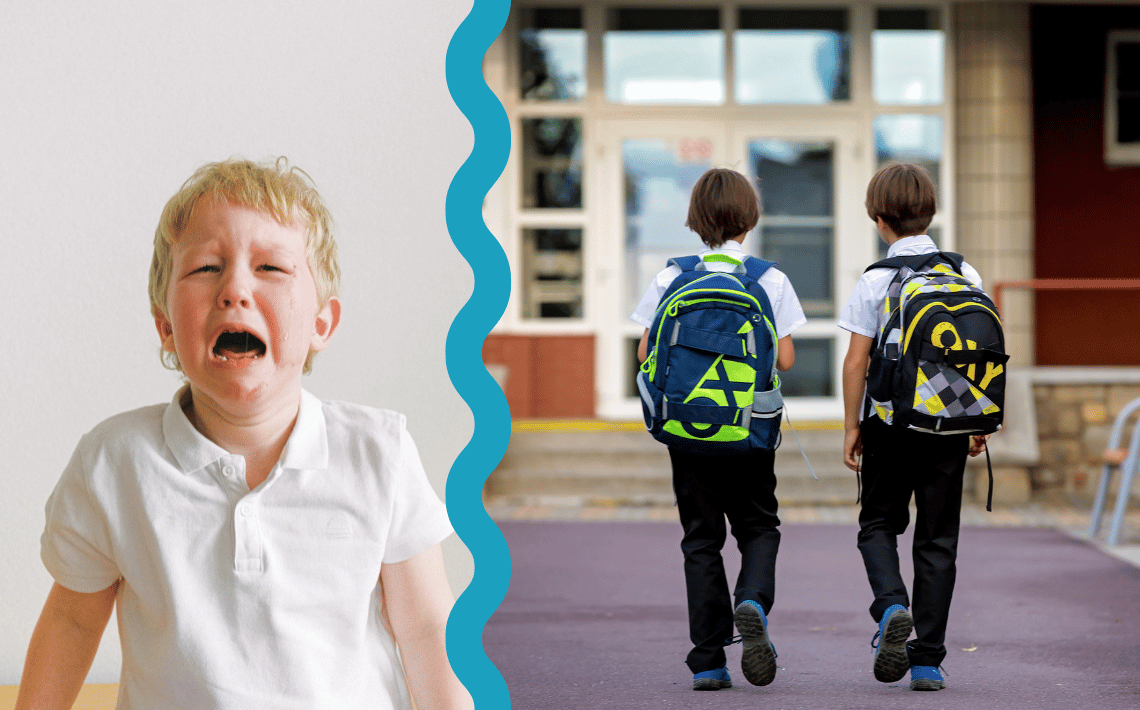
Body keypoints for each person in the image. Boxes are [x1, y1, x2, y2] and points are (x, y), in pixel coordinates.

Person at [16, 158, 472, 710]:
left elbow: (426, 628)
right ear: (165, 326)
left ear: (321, 325)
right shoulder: (114, 463)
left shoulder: (379, 451)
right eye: (206, 267)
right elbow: (70, 621)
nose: (235, 289)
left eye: (271, 269)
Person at [631, 168, 806, 691]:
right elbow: (788, 358)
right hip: (748, 432)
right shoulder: (768, 279)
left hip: (688, 431)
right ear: (749, 221)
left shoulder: (672, 277)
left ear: (696, 221)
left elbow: (645, 351)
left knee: (701, 540)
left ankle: (709, 659)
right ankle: (751, 599)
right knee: (758, 527)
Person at [839, 162, 991, 692]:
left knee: (878, 524)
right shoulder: (965, 274)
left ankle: (890, 608)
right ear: (931, 213)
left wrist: (852, 426)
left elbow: (856, 362)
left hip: (889, 424)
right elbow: (978, 354)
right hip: (949, 422)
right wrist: (977, 421)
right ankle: (927, 660)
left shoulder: (877, 280)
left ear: (879, 220)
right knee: (937, 538)